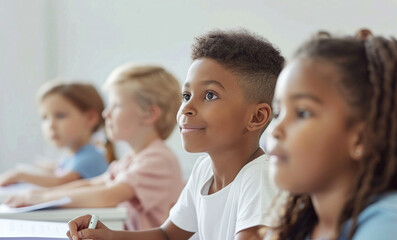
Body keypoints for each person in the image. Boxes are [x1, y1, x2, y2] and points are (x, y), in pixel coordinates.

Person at [67, 29, 285, 240]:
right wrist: (111, 236)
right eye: (186, 95)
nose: (187, 108)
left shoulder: (260, 178)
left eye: (209, 95)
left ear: (256, 117)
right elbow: (166, 235)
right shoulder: (204, 170)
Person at [264, 30, 397, 240]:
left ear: (362, 138)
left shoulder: (391, 227)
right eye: (278, 113)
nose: (275, 129)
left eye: (302, 113)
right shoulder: (302, 224)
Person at [5, 64, 184, 231]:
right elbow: (92, 183)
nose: (106, 113)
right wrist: (42, 193)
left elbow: (106, 195)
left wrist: (42, 198)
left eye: (116, 105)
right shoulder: (133, 158)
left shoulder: (158, 159)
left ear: (149, 114)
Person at [0, 81, 110, 187]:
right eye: (44, 118)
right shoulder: (71, 157)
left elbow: (60, 183)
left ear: (90, 118)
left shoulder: (91, 157)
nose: (50, 125)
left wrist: (19, 175)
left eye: (60, 116)